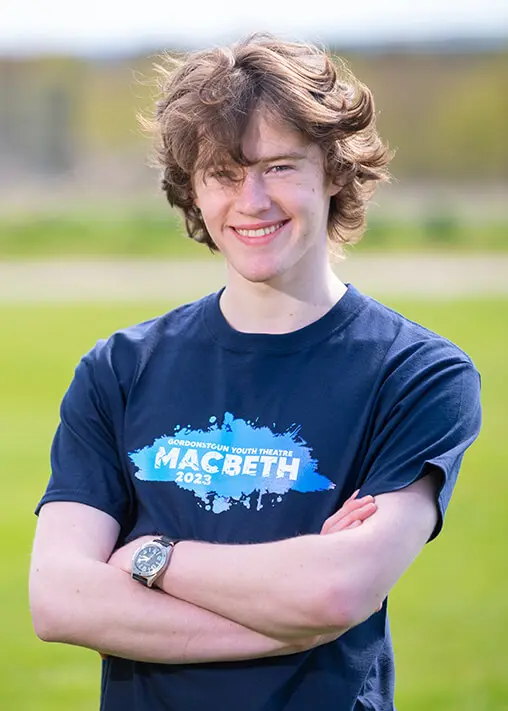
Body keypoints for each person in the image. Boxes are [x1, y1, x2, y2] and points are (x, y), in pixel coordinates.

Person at [29, 33, 482, 711]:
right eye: (223, 173)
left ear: (333, 169)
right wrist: (290, 618)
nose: (252, 200)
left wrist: (151, 556)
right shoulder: (118, 369)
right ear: (194, 188)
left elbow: (334, 591)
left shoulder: (417, 374)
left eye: (277, 167)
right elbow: (60, 600)